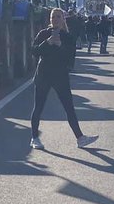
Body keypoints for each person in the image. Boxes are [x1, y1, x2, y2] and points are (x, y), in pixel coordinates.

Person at [30, 8, 97, 150]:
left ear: (63, 20)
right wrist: (47, 42)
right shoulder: (43, 34)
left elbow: (70, 60)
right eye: (53, 17)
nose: (55, 19)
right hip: (43, 75)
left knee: (69, 108)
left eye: (58, 17)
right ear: (50, 19)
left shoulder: (68, 37)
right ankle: (34, 137)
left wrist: (60, 45)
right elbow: (34, 51)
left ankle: (80, 138)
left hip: (60, 76)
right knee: (38, 107)